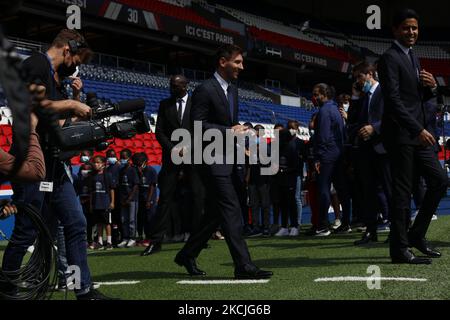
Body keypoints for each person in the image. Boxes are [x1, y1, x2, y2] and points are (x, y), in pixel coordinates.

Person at [2, 29, 115, 299]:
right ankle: (6, 286)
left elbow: (61, 125)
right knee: (27, 230)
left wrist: (76, 104)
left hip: (54, 164)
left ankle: (82, 289)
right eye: (76, 58)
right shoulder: (36, 64)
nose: (76, 65)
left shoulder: (56, 77)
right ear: (67, 50)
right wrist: (69, 103)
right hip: (30, 162)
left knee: (75, 223)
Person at [174, 44, 273, 279]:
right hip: (211, 160)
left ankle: (187, 254)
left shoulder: (233, 90)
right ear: (222, 62)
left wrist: (242, 131)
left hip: (230, 158)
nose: (242, 66)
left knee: (216, 214)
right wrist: (228, 131)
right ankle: (243, 266)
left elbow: (232, 124)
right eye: (237, 62)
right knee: (231, 210)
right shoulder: (204, 90)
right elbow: (197, 126)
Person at [378, 9, 447, 264]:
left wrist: (432, 87)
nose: (412, 32)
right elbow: (394, 102)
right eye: (407, 28)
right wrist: (418, 129)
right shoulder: (389, 58)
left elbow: (418, 98)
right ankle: (399, 249)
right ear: (395, 30)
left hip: (418, 135)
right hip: (401, 135)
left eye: (415, 28)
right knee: (402, 192)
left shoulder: (413, 57)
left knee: (440, 181)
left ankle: (416, 235)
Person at [141, 75, 204, 256]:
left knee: (198, 197)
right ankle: (156, 241)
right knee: (165, 199)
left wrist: (187, 147)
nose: (172, 88)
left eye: (176, 85)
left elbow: (201, 128)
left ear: (185, 86)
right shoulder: (164, 104)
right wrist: (174, 149)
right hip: (171, 158)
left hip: (194, 157)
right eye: (171, 85)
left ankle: (198, 238)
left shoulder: (196, 103)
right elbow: (159, 131)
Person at [349, 63, 392, 245]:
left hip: (384, 147)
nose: (358, 82)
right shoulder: (362, 97)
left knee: (390, 191)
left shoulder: (384, 91)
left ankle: (397, 229)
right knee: (368, 192)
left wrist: (374, 128)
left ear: (369, 74)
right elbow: (352, 120)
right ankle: (371, 231)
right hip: (366, 151)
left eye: (359, 77)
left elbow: (393, 115)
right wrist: (355, 96)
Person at [312, 83, 351, 236]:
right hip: (338, 153)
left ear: (324, 93)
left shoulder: (324, 111)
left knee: (323, 189)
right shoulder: (335, 109)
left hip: (327, 155)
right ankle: (346, 222)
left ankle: (323, 225)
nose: (314, 97)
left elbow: (323, 136)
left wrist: (318, 158)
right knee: (342, 189)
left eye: (316, 94)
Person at [90, 155, 114, 250]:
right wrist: (91, 204)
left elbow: (112, 189)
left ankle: (109, 242)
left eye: (98, 162)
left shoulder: (107, 175)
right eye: (95, 162)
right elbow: (91, 192)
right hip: (96, 204)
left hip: (105, 203)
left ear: (103, 164)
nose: (96, 164)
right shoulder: (93, 176)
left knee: (107, 223)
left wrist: (112, 202)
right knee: (99, 223)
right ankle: (99, 242)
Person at [133, 153, 157, 246]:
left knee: (149, 218)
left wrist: (149, 200)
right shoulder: (136, 171)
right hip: (140, 198)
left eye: (139, 164)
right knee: (141, 218)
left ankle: (150, 238)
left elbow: (152, 186)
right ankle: (140, 237)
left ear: (144, 162)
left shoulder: (151, 171)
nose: (137, 166)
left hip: (149, 199)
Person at [117, 148, 139, 248]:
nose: (122, 159)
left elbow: (135, 185)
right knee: (123, 219)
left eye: (124, 158)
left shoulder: (133, 170)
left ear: (129, 159)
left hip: (132, 199)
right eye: (121, 157)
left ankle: (132, 238)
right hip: (123, 199)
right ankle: (125, 237)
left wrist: (130, 198)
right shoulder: (121, 171)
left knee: (131, 220)